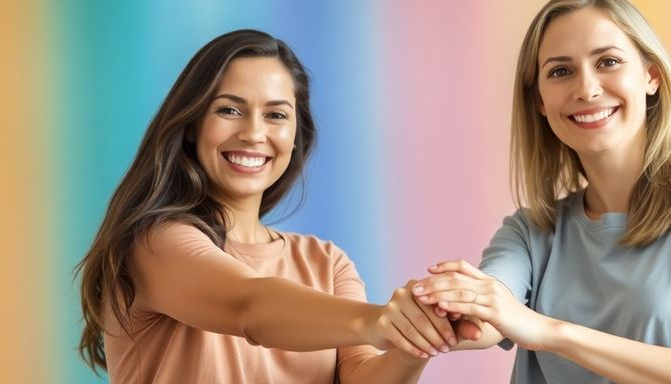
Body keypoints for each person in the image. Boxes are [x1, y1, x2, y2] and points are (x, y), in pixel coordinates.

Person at [411, 0, 671, 384]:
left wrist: (551, 333)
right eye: (560, 71)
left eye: (608, 62)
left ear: (651, 77)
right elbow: (482, 322)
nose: (586, 89)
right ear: (540, 103)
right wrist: (441, 305)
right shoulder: (530, 232)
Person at [76, 30, 457, 383]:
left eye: (276, 115)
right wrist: (380, 320)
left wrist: (415, 337)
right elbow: (250, 306)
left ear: (295, 136)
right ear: (192, 124)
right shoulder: (155, 243)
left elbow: (361, 375)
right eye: (229, 110)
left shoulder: (326, 262)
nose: (254, 133)